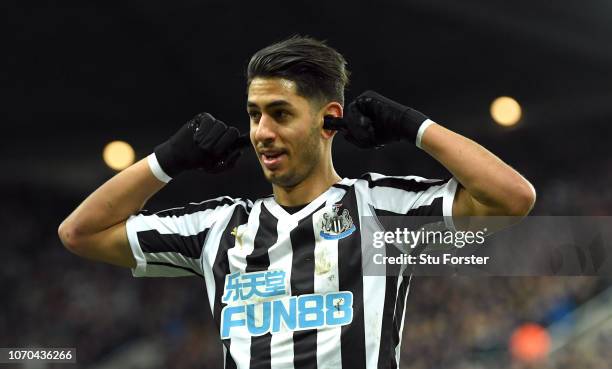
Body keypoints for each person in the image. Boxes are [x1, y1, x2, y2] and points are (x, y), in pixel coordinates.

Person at [58, 35, 536, 368]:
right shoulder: (219, 228)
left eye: (280, 114)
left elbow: (511, 198)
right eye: (253, 115)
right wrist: (167, 160)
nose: (262, 132)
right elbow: (80, 232)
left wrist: (413, 126)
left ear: (329, 118)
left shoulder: (380, 211)